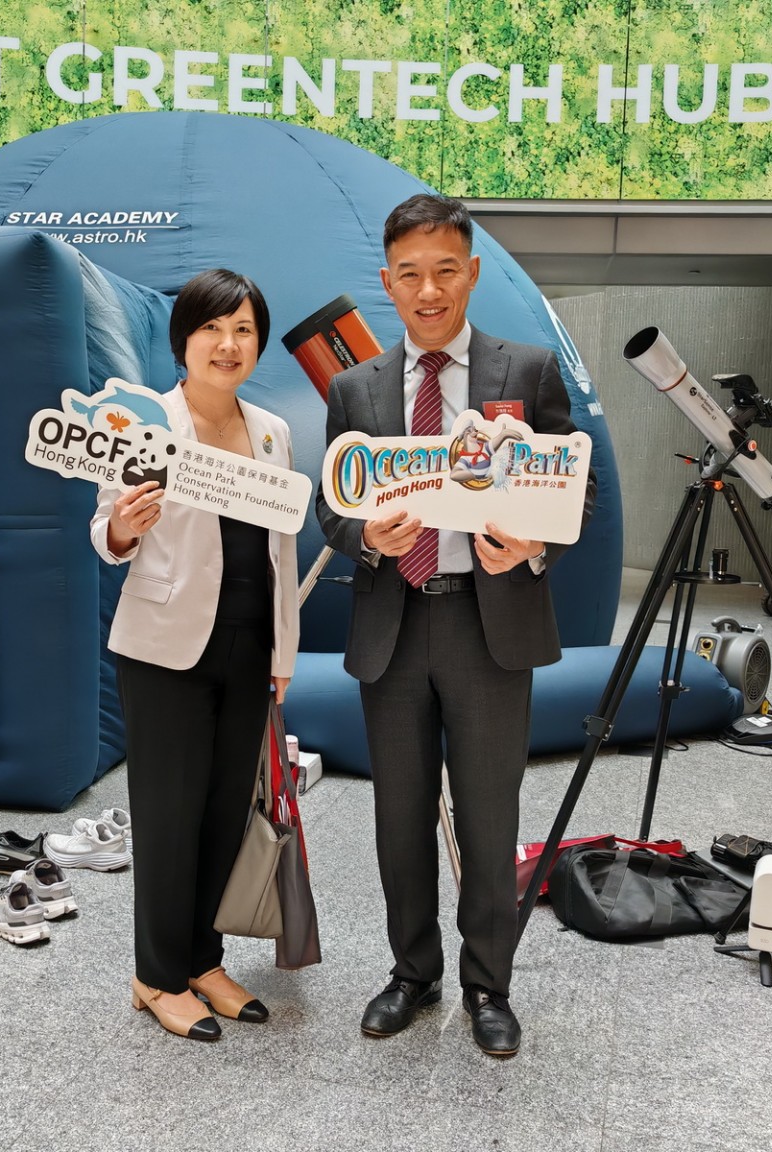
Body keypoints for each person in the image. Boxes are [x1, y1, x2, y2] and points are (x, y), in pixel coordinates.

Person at [315, 194, 596, 1058]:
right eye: (411, 275)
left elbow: (572, 486)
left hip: (488, 626)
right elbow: (333, 505)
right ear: (387, 282)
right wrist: (365, 536)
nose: (429, 290)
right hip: (394, 627)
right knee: (398, 819)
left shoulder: (528, 371)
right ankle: (413, 973)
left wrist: (533, 547)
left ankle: (488, 984)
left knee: (486, 814)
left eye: (445, 271)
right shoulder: (355, 387)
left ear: (471, 273)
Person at [90, 268, 298, 1042]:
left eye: (243, 329)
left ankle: (203, 960)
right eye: (212, 327)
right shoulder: (143, 423)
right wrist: (123, 526)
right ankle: (156, 975)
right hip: (164, 648)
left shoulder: (272, 431)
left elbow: (281, 552)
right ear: (184, 339)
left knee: (222, 815)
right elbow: (103, 533)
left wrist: (283, 649)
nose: (228, 343)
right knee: (169, 817)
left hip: (249, 645)